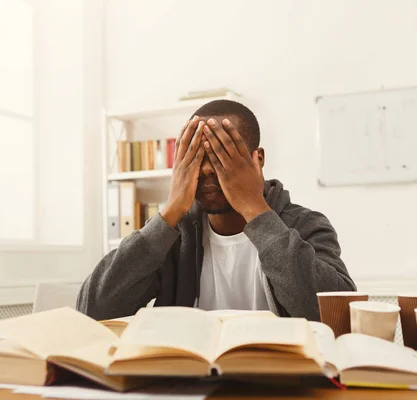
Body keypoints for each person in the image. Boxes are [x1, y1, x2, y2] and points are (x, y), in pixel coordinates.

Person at [77, 100, 356, 321]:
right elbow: (92, 311)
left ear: (257, 159)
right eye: (197, 156)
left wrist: (255, 209)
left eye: (223, 155)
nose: (209, 169)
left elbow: (337, 318)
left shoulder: (306, 225)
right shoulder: (175, 234)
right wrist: (171, 209)